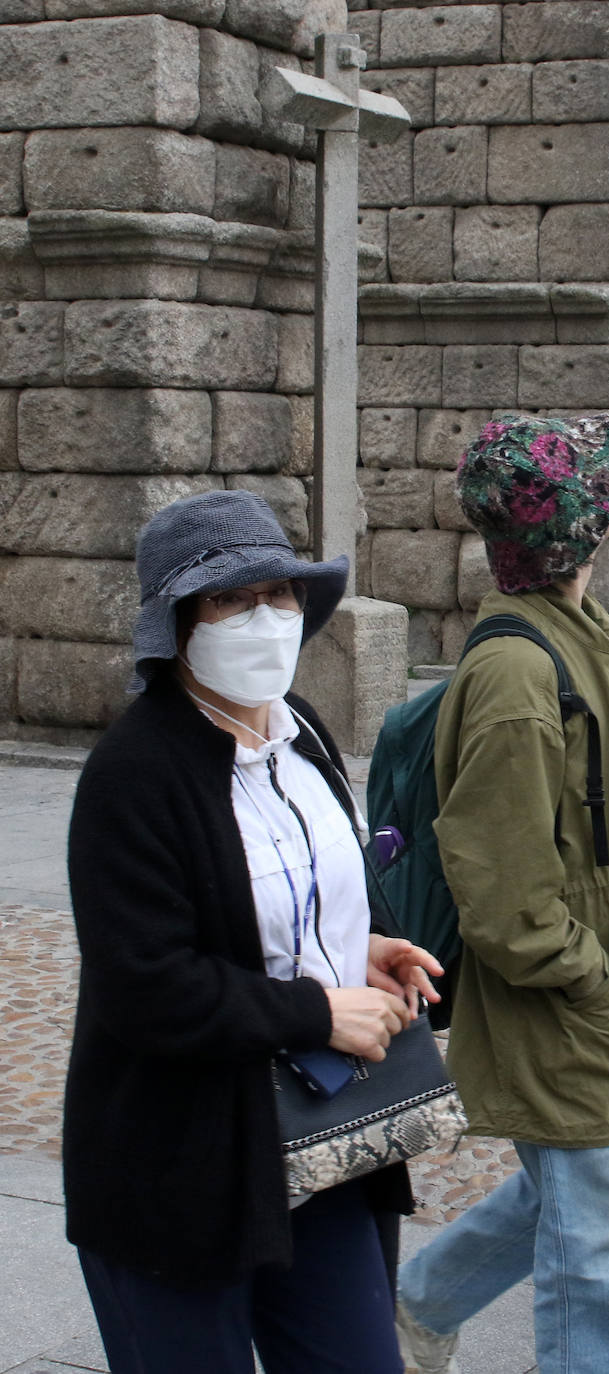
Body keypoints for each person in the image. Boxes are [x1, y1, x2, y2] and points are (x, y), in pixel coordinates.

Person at [63, 489, 443, 1374]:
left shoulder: (300, 726)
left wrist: (371, 943)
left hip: (326, 1134)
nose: (265, 617)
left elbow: (327, 872)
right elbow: (143, 985)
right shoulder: (134, 771)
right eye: (232, 599)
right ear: (179, 623)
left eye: (279, 594)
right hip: (179, 1164)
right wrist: (316, 1011)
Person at [394, 414, 609, 1374]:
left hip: (603, 997)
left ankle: (418, 1305)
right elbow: (507, 894)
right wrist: (591, 977)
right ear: (585, 529)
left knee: (564, 1198)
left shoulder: (579, 634)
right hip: (566, 1004)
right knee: (586, 1248)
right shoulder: (518, 670)